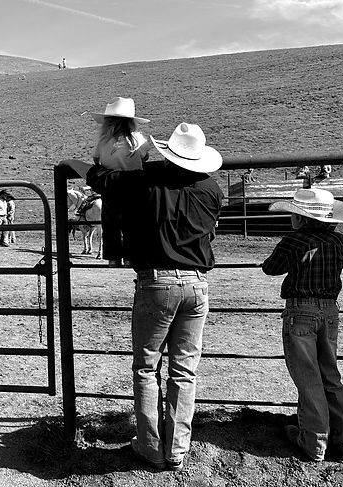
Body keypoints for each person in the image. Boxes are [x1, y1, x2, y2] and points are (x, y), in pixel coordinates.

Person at [62, 122, 223, 471]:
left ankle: (150, 446)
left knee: (146, 367)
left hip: (156, 281)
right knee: (185, 371)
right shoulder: (212, 189)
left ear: (168, 153)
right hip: (197, 284)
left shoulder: (145, 182)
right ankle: (177, 449)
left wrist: (72, 164)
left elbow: (100, 178)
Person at [261, 187, 343, 464]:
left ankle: (315, 439)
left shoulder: (293, 241)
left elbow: (270, 268)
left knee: (308, 376)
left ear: (300, 218)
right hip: (330, 310)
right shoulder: (340, 241)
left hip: (301, 309)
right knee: (330, 375)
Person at [88, 96, 152, 265]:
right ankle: (133, 256)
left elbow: (96, 161)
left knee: (111, 223)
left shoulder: (103, 141)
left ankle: (114, 258)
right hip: (135, 188)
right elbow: (145, 157)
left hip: (111, 187)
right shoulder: (138, 140)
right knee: (135, 222)